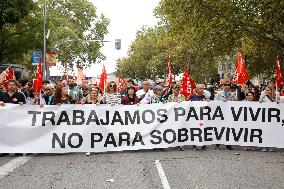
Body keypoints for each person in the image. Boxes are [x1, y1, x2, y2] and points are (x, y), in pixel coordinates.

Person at [214, 79, 237, 150]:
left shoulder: (233, 95)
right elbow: (214, 104)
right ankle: (217, 144)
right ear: (222, 86)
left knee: (229, 129)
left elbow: (236, 104)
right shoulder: (218, 94)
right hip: (221, 114)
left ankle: (228, 144)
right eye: (225, 85)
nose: (227, 86)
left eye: (228, 85)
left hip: (230, 115)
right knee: (220, 129)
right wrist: (220, 102)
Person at [190, 84, 208, 150]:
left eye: (203, 88)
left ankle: (203, 144)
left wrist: (208, 101)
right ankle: (194, 145)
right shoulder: (192, 97)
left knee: (204, 130)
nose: (202, 89)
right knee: (195, 130)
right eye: (200, 88)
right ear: (197, 89)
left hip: (204, 117)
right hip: (195, 117)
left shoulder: (205, 97)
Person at [259, 85, 276, 152]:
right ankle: (262, 146)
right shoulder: (263, 97)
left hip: (271, 118)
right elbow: (259, 104)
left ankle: (269, 146)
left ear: (271, 91)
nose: (266, 91)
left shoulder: (274, 98)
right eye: (266, 90)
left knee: (270, 132)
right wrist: (261, 98)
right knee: (263, 132)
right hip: (264, 117)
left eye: (268, 90)